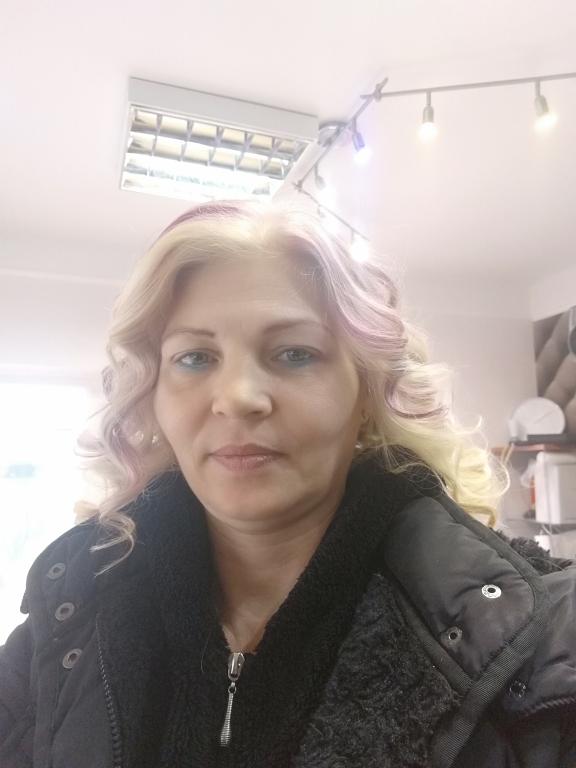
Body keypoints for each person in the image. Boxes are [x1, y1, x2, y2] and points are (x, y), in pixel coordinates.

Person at [1, 200, 575, 768]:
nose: (238, 398)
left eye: (295, 353)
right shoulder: (67, 619)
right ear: (154, 396)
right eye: (195, 357)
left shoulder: (541, 641)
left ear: (367, 394)